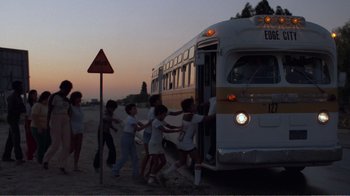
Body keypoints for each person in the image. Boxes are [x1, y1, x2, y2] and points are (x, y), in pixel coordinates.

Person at [162, 98, 215, 186]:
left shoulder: (185, 115)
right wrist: (219, 112)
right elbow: (208, 118)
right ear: (189, 108)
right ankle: (197, 184)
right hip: (187, 143)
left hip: (181, 141)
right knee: (198, 160)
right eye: (193, 105)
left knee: (182, 161)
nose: (195, 106)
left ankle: (165, 174)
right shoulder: (192, 116)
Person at [140, 94, 182, 178]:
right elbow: (158, 125)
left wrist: (183, 110)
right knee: (149, 155)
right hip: (149, 134)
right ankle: (143, 174)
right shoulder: (153, 111)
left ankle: (149, 174)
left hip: (154, 136)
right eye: (159, 100)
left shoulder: (160, 110)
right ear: (155, 102)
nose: (161, 101)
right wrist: (175, 129)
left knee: (153, 157)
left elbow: (172, 114)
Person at [42, 80, 73, 174]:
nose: (68, 91)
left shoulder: (67, 100)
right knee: (56, 143)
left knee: (67, 144)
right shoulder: (54, 96)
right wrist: (47, 124)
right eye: (67, 89)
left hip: (66, 120)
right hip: (55, 118)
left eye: (69, 89)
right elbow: (49, 111)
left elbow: (69, 112)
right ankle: (46, 160)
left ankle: (62, 165)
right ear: (62, 88)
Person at [147, 104, 182, 185]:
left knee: (163, 162)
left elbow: (169, 126)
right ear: (159, 113)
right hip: (154, 144)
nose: (165, 116)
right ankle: (151, 178)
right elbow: (165, 130)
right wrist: (177, 131)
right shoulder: (156, 122)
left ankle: (152, 175)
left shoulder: (161, 120)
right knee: (156, 162)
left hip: (158, 144)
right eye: (164, 114)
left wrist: (179, 127)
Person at [112, 103, 147, 180]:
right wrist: (149, 124)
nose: (136, 109)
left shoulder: (134, 117)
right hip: (126, 138)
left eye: (135, 108)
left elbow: (140, 124)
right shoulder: (130, 119)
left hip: (131, 138)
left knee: (135, 157)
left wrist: (148, 124)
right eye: (134, 108)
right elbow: (137, 129)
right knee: (125, 157)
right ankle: (115, 170)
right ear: (129, 111)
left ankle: (136, 174)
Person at [2, 81, 26, 164]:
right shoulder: (13, 97)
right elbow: (12, 110)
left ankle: (6, 156)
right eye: (21, 86)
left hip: (14, 119)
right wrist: (20, 109)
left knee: (11, 139)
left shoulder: (17, 96)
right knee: (16, 139)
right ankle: (19, 158)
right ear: (17, 87)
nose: (22, 88)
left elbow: (22, 108)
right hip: (12, 119)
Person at [93, 100, 122, 171]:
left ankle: (110, 162)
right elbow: (105, 118)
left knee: (112, 148)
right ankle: (96, 166)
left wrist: (114, 128)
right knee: (100, 149)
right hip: (101, 132)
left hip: (107, 132)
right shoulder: (104, 111)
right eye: (113, 108)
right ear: (109, 107)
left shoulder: (111, 113)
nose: (113, 110)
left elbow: (109, 123)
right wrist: (114, 119)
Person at [31, 91, 51, 164]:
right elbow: (34, 116)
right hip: (36, 127)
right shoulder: (37, 105)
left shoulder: (47, 106)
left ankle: (40, 155)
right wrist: (39, 127)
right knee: (41, 144)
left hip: (46, 127)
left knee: (48, 143)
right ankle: (40, 160)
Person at [69, 91, 84, 171]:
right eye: (78, 98)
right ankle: (62, 161)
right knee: (71, 148)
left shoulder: (80, 107)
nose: (79, 100)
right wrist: (71, 131)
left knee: (78, 148)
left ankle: (75, 165)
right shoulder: (71, 107)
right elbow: (69, 120)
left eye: (80, 98)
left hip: (80, 129)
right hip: (73, 129)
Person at [24, 89, 38, 161]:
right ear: (31, 95)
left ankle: (31, 154)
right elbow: (26, 117)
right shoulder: (28, 104)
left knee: (36, 140)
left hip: (36, 123)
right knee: (30, 141)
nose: (35, 96)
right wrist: (27, 127)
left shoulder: (37, 104)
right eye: (34, 94)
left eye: (36, 94)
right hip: (29, 122)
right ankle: (29, 156)